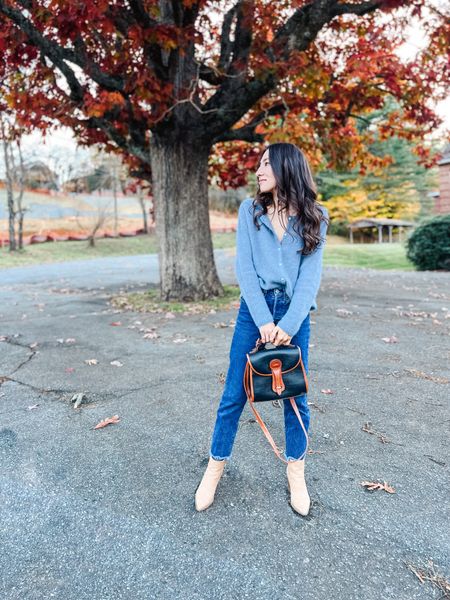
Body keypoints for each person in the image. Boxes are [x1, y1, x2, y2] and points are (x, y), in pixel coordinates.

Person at [195, 142, 329, 515]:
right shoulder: (249, 211)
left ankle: (296, 472)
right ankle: (215, 468)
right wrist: (264, 321)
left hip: (294, 318)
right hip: (253, 313)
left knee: (294, 397)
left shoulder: (316, 216)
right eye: (259, 164)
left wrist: (287, 325)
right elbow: (245, 271)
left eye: (267, 163)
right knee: (234, 395)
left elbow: (309, 280)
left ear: (288, 168)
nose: (259, 170)